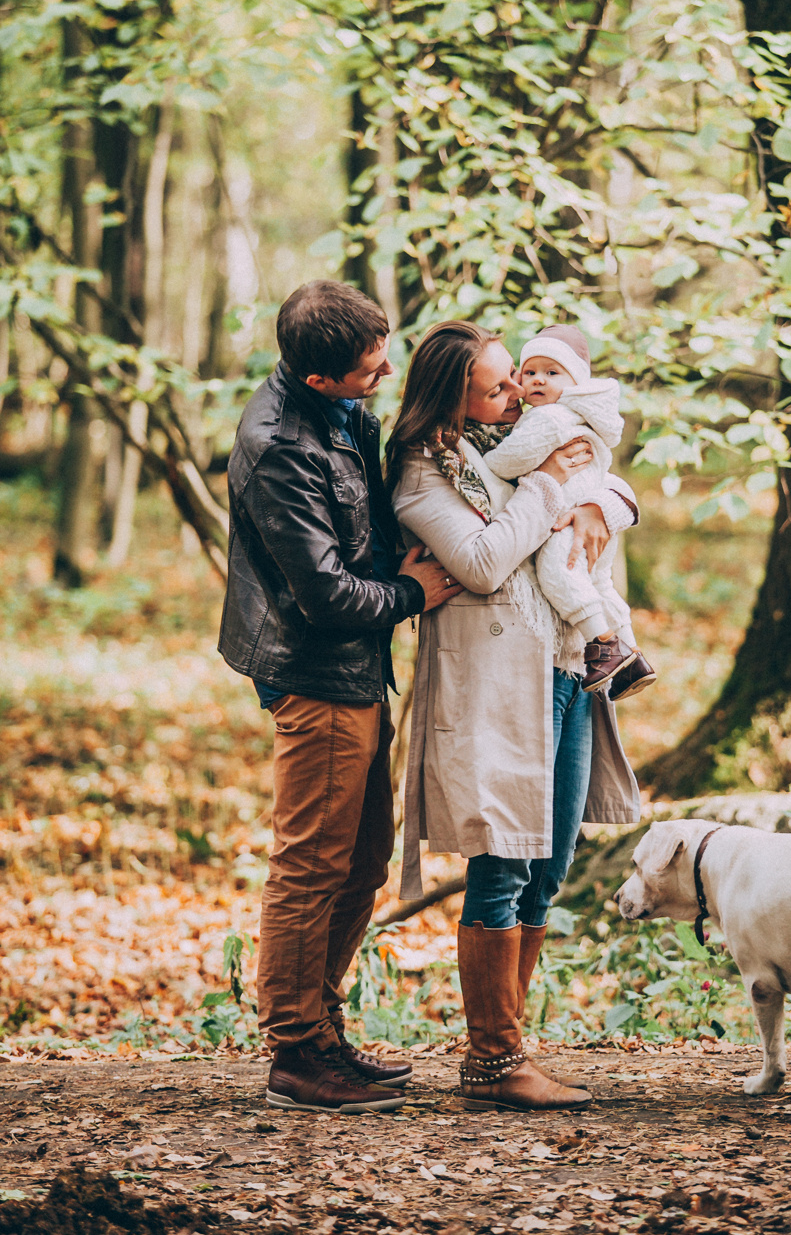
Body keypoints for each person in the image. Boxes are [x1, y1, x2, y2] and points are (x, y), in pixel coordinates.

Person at [218, 280, 461, 1114]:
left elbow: (366, 525)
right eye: (369, 369)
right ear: (317, 376)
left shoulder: (339, 411)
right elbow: (324, 595)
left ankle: (321, 1027)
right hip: (316, 673)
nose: (385, 374)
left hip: (357, 670)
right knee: (311, 863)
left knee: (362, 859)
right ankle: (295, 1052)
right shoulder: (280, 446)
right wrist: (413, 592)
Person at [385, 320, 641, 1112]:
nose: (516, 394)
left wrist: (598, 502)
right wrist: (551, 490)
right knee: (502, 861)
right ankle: (491, 1059)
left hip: (566, 671)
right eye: (495, 387)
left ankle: (512, 1044)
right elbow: (483, 561)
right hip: (497, 687)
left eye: (512, 379)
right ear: (451, 396)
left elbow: (604, 474)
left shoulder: (520, 440)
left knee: (550, 864)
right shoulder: (424, 472)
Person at [482, 324, 656, 702]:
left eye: (552, 372)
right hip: (594, 518)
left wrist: (487, 462)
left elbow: (510, 461)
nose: (537, 380)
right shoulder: (580, 416)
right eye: (530, 371)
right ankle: (633, 654)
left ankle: (605, 646)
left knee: (557, 572)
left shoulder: (549, 418)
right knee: (600, 584)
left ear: (575, 381)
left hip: (567, 523)